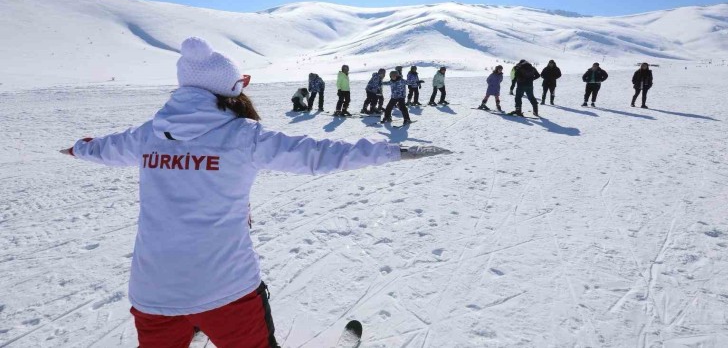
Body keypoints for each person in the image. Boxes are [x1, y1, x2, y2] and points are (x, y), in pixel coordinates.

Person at [58, 37, 449, 348]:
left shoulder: (148, 135)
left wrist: (78, 147)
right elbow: (319, 155)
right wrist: (393, 150)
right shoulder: (243, 135)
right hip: (226, 289)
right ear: (231, 88)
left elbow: (101, 148)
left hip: (153, 292)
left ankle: (191, 320)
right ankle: (200, 318)